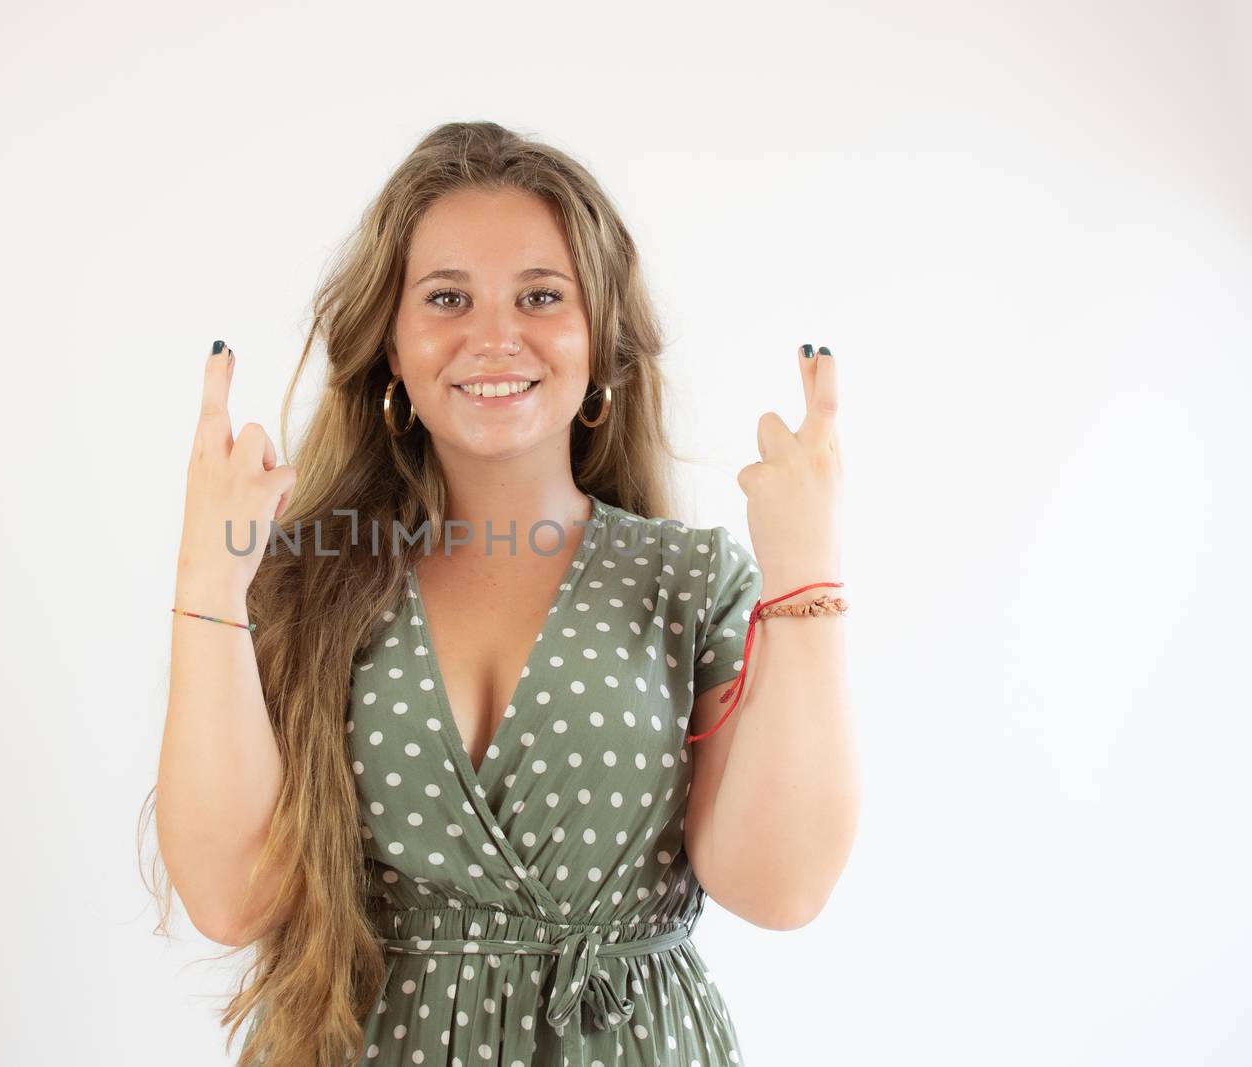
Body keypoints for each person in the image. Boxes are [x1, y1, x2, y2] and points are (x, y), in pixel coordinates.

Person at [144, 121, 856, 1067]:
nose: (494, 336)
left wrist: (805, 574)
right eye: (447, 297)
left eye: (540, 295)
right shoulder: (306, 578)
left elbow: (780, 885)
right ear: (391, 347)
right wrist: (207, 576)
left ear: (599, 340)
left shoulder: (688, 582)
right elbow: (233, 899)